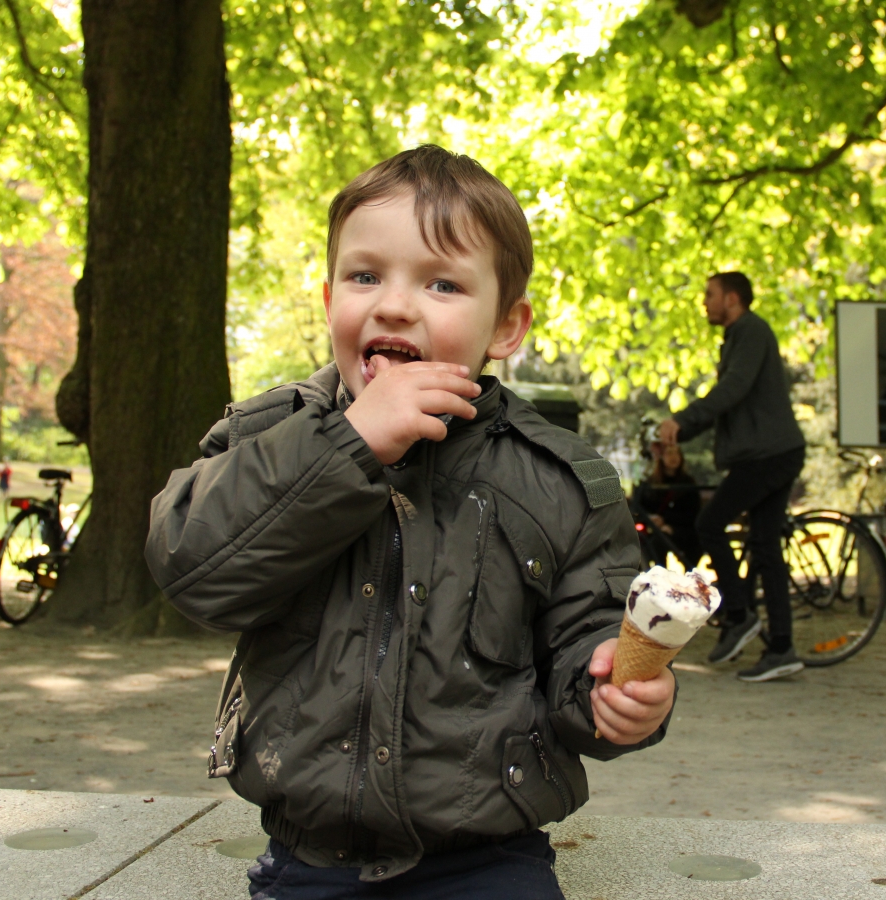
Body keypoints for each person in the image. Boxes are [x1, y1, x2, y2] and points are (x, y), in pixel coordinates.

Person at [145, 146, 675, 900]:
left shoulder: (559, 481)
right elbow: (193, 565)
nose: (393, 305)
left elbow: (588, 632)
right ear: (328, 298)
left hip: (488, 858)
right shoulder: (269, 438)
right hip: (311, 857)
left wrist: (615, 695)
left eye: (442, 283)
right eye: (365, 276)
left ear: (506, 327)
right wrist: (349, 445)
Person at [659, 272, 806, 683]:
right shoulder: (741, 335)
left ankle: (739, 615)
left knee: (709, 524)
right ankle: (781, 648)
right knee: (764, 545)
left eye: (710, 294)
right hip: (773, 452)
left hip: (768, 455)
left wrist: (682, 420)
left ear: (732, 298)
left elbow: (733, 389)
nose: (705, 302)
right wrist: (681, 431)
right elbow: (731, 400)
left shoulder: (750, 331)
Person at [633, 443, 702, 569]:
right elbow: (642, 508)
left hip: (682, 530)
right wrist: (653, 520)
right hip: (654, 530)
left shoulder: (688, 483)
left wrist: (668, 524)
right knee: (653, 542)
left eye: (676, 453)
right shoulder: (651, 483)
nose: (673, 457)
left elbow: (692, 513)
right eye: (669, 453)